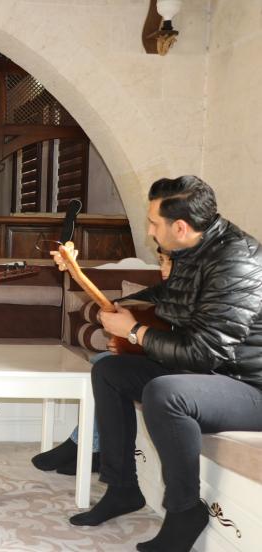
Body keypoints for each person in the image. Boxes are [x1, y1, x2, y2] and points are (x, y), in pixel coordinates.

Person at [57, 176, 262, 552]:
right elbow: (167, 297)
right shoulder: (195, 248)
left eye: (154, 223)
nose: (150, 231)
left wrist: (134, 331)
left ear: (180, 227)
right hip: (213, 374)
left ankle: (185, 510)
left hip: (250, 387)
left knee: (166, 392)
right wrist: (116, 305)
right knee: (109, 370)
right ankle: (123, 488)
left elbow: (204, 353)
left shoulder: (236, 262)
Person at [31, 249, 173, 475]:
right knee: (102, 360)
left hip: (180, 368)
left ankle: (81, 444)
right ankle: (95, 449)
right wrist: (123, 338)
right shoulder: (168, 288)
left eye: (169, 263)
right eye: (161, 261)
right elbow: (129, 309)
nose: (163, 269)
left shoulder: (200, 293)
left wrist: (132, 341)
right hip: (160, 358)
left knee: (106, 367)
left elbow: (178, 345)